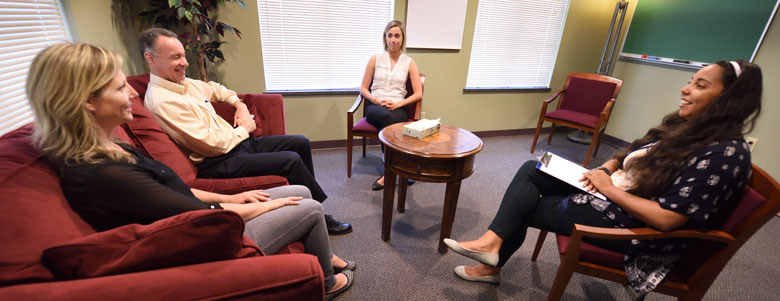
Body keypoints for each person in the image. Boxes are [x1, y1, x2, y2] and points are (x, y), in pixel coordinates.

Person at [27, 42, 355, 300]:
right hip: (202, 242)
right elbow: (198, 216)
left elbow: (168, 190)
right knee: (308, 207)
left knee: (299, 191)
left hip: (199, 215)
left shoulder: (112, 147)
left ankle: (322, 251)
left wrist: (239, 195)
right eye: (119, 88)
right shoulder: (100, 173)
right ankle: (324, 281)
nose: (131, 93)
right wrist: (261, 206)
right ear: (86, 101)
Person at [444, 60, 762, 298]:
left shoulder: (725, 154)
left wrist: (608, 187)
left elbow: (666, 220)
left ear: (729, 99)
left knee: (527, 204)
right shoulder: (688, 128)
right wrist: (608, 170)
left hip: (637, 228)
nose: (685, 89)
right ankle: (491, 246)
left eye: (701, 85)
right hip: (618, 192)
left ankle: (490, 260)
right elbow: (630, 153)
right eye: (691, 81)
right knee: (534, 168)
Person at [138, 28, 351, 235]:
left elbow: (218, 90)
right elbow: (212, 144)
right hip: (217, 161)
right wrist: (244, 129)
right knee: (291, 160)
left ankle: (312, 204)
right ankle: (319, 216)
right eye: (176, 58)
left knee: (300, 142)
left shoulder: (183, 83)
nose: (184, 63)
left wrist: (239, 105)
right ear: (151, 58)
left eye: (183, 56)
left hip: (236, 144)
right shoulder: (162, 101)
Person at [359, 20, 423, 191]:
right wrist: (377, 101)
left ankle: (390, 170)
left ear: (402, 38)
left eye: (397, 36)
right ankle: (397, 169)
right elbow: (363, 89)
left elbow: (418, 93)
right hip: (375, 107)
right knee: (388, 119)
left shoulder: (409, 62)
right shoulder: (375, 59)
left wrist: (399, 103)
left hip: (398, 107)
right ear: (385, 38)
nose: (393, 40)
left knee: (392, 119)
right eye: (390, 35)